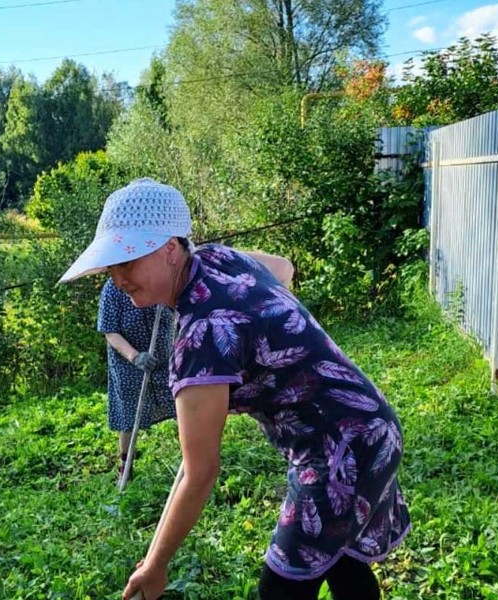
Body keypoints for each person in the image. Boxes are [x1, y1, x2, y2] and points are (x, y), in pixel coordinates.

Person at [59, 178, 410, 600]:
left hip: (340, 452)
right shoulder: (216, 258)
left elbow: (199, 471)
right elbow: (282, 267)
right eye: (111, 266)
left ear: (171, 249)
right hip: (371, 426)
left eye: (127, 262)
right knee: (342, 559)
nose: (117, 279)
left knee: (280, 589)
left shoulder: (203, 335)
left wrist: (156, 565)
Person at [97, 278, 176, 477]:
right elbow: (109, 331)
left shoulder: (158, 277)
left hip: (165, 359)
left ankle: (193, 459)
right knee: (130, 415)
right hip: (129, 363)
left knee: (179, 405)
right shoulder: (112, 289)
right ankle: (126, 465)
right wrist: (135, 356)